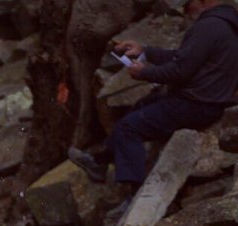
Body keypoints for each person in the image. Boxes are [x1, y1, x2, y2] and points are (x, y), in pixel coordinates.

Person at [67, 0, 238, 207]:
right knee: (142, 105)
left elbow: (180, 71)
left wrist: (144, 73)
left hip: (196, 104)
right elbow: (182, 57)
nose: (184, 10)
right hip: (206, 99)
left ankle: (134, 197)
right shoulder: (226, 23)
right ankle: (100, 162)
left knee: (128, 128)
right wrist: (144, 52)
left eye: (187, 4)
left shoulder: (208, 26)